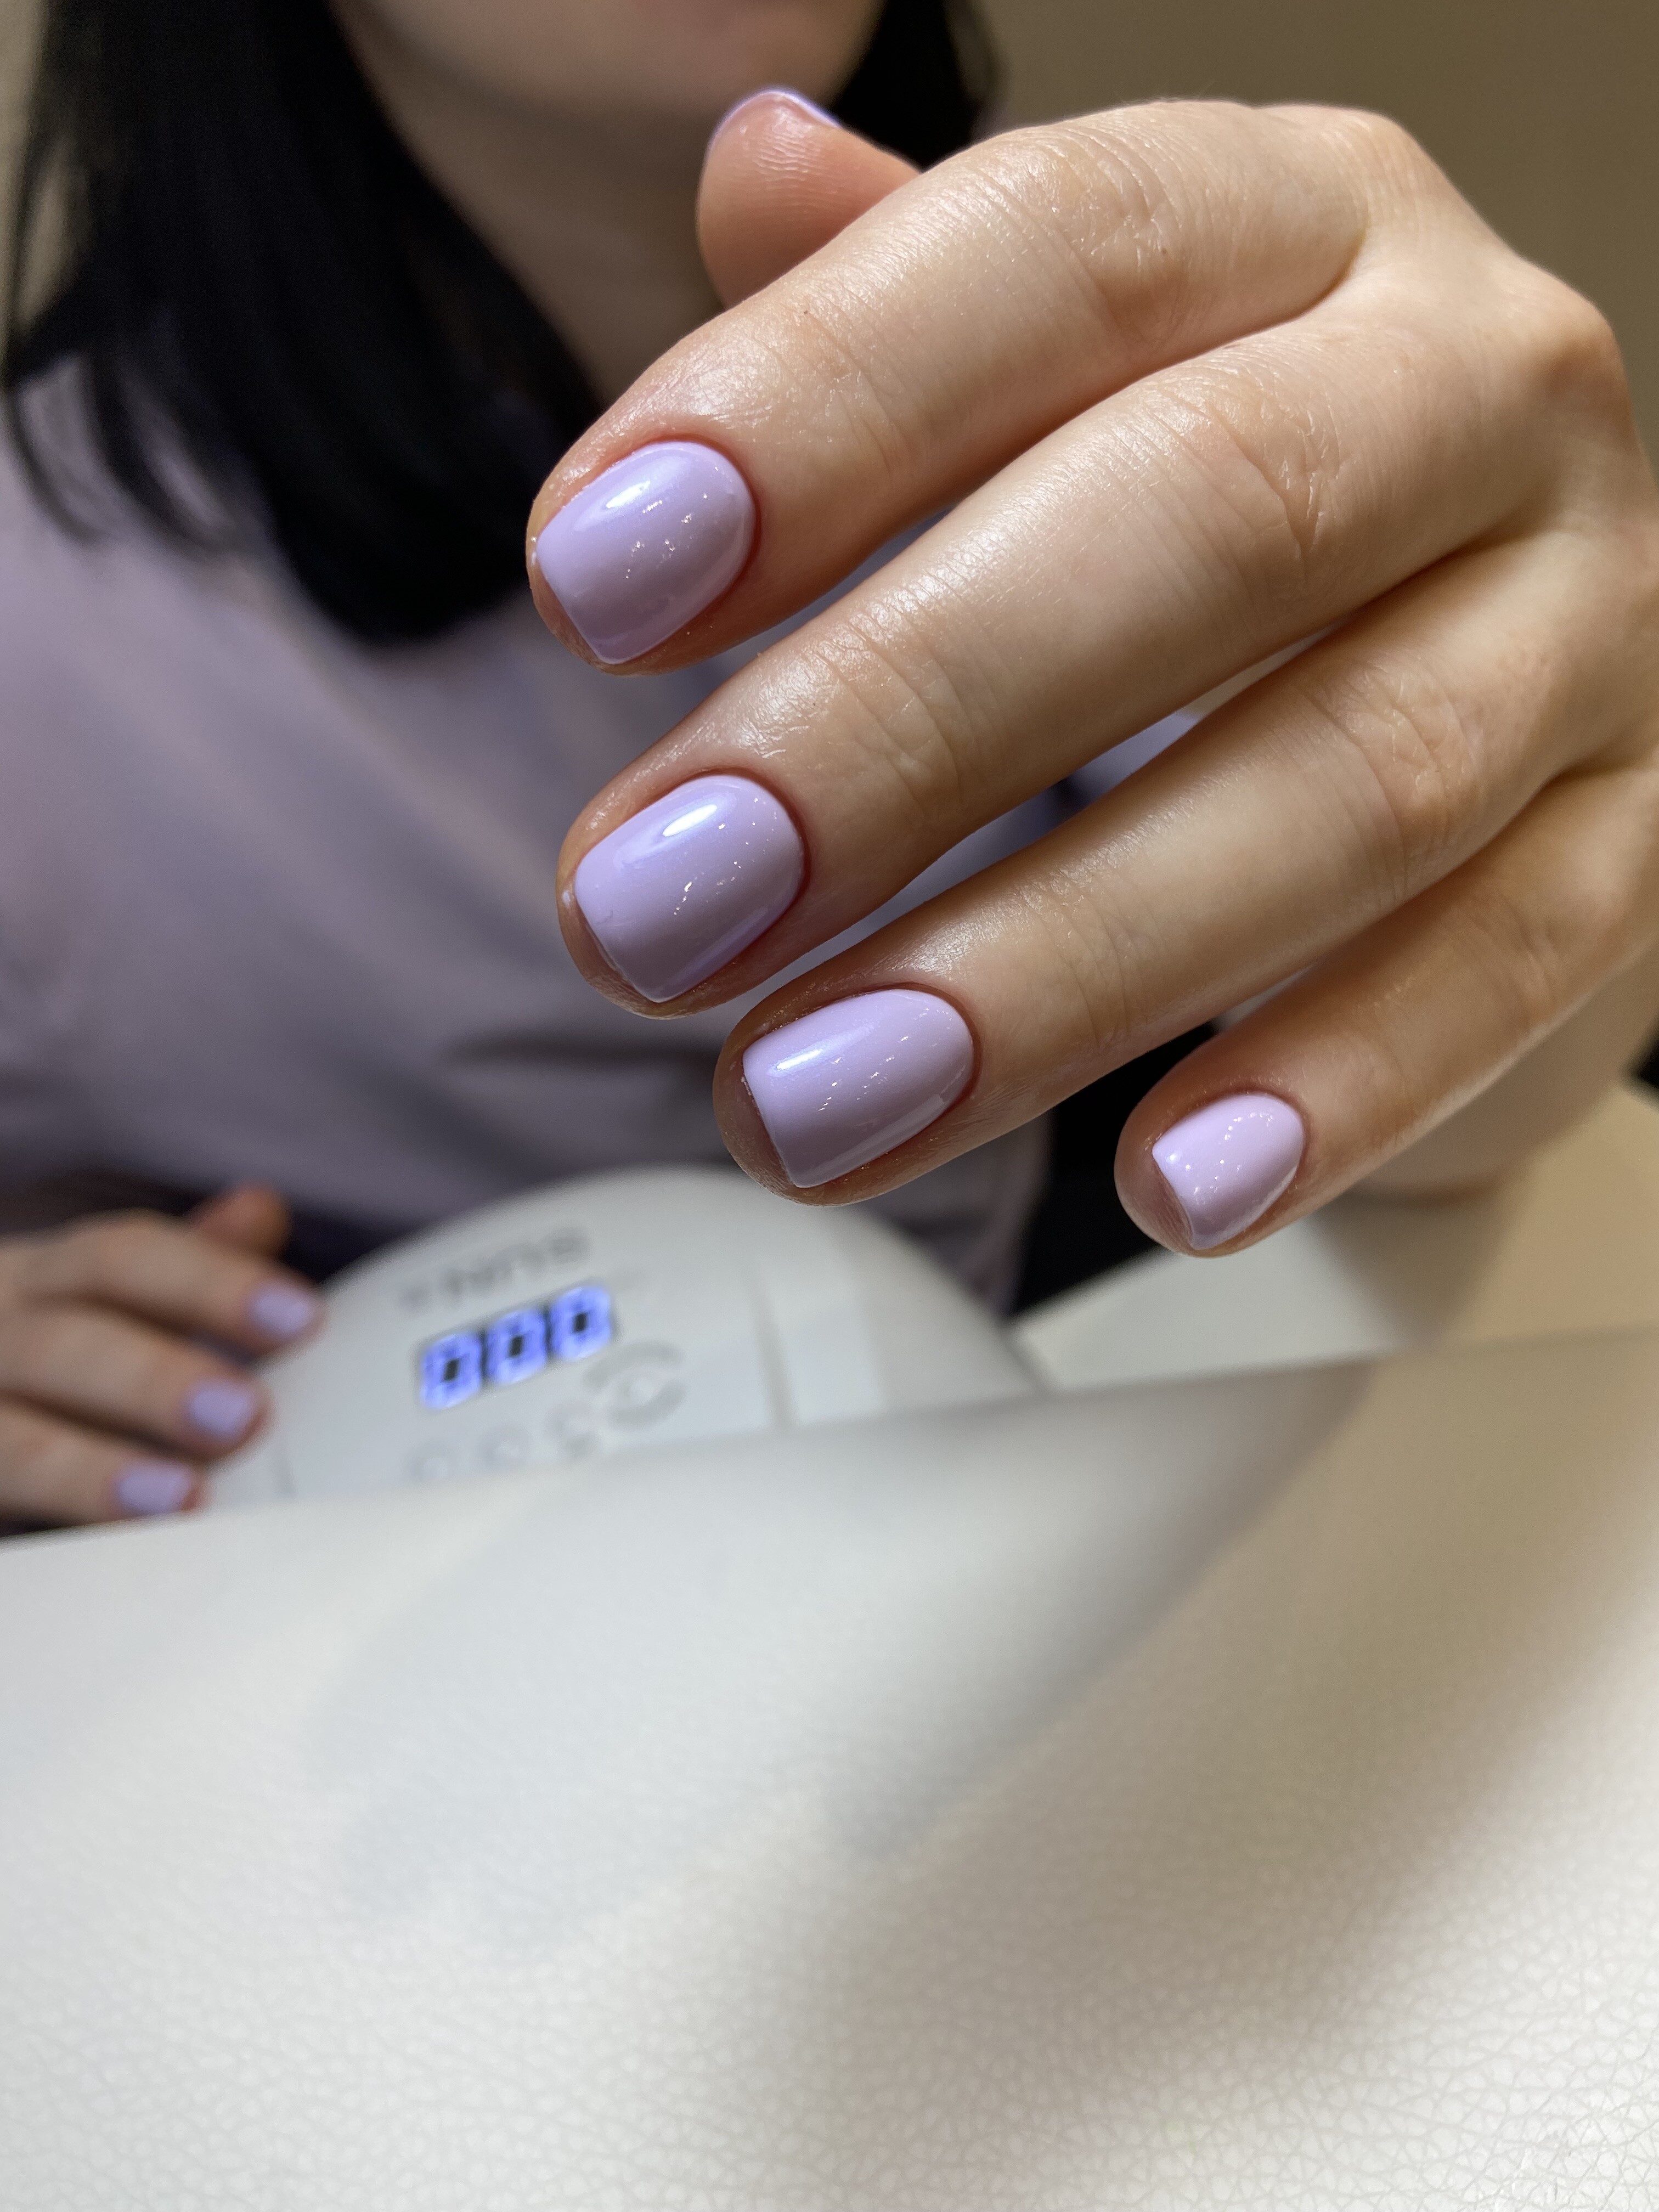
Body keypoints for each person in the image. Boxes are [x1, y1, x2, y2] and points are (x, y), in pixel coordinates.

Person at [1, 0, 1656, 1526]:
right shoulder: (46, 606)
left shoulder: (1132, 328)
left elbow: (1451, 1098)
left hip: (1010, 1482)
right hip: (311, 1585)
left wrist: (1553, 777)